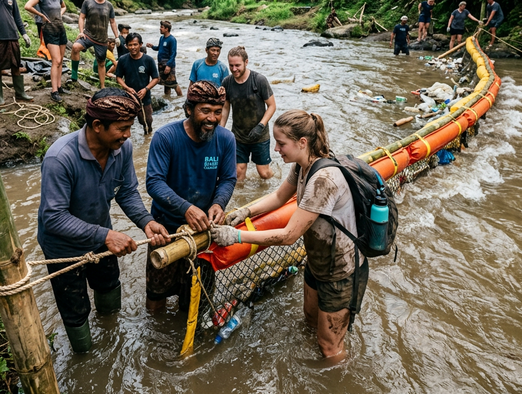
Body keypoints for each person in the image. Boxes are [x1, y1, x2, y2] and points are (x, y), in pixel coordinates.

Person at [211, 110, 368, 360]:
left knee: (330, 348)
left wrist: (236, 237)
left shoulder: (323, 180)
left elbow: (288, 235)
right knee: (309, 323)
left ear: (302, 143)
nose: (276, 149)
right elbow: (278, 197)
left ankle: (335, 386)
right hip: (317, 264)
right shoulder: (302, 166)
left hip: (340, 271)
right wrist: (246, 211)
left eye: (281, 143)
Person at [37, 88, 171, 353]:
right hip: (63, 249)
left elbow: (127, 191)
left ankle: (111, 342)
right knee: (75, 310)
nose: (127, 135)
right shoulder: (60, 158)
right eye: (122, 128)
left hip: (100, 237)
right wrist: (107, 236)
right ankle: (85, 357)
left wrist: (146, 221)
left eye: (130, 127)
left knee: (109, 287)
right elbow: (53, 218)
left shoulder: (122, 148)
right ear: (97, 125)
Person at [145, 81, 236, 311]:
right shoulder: (165, 137)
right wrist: (186, 208)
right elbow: (154, 183)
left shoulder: (226, 139)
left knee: (199, 300)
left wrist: (218, 202)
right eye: (205, 111)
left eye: (217, 112)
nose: (212, 118)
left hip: (204, 231)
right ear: (188, 109)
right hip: (166, 230)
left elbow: (228, 178)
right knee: (156, 296)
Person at [221, 46, 276, 183]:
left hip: (260, 134)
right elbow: (226, 108)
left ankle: (276, 178)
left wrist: (260, 126)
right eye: (231, 65)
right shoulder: (227, 82)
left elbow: (272, 106)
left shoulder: (259, 80)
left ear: (246, 62)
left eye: (237, 65)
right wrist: (220, 129)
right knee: (239, 174)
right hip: (239, 135)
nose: (234, 69)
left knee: (263, 173)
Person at [24, 0, 68, 102]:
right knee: (56, 61)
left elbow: (64, 7)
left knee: (61, 60)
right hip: (49, 29)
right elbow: (28, 6)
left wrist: (60, 14)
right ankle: (54, 91)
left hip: (60, 28)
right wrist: (41, 15)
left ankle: (59, 86)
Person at [70, 0, 120, 88]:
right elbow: (81, 17)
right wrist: (81, 31)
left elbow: (112, 21)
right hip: (88, 35)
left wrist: (116, 37)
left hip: (102, 39)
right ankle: (74, 74)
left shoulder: (109, 5)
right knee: (75, 47)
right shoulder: (87, 2)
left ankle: (102, 86)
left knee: (101, 63)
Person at [115, 32, 159, 134]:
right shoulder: (123, 60)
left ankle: (148, 132)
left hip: (144, 95)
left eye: (135, 44)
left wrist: (146, 89)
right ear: (126, 46)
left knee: (146, 119)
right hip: (129, 95)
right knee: (125, 119)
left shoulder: (148, 60)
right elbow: (118, 78)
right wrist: (127, 88)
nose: (133, 47)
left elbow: (156, 78)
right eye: (130, 45)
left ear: (140, 44)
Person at [146, 20, 182, 97]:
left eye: (161, 27)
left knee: (173, 83)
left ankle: (181, 97)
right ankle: (167, 98)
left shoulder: (172, 39)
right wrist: (152, 46)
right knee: (166, 83)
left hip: (168, 64)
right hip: (161, 64)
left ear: (166, 29)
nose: (160, 28)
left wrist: (169, 65)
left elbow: (173, 54)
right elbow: (159, 48)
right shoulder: (162, 38)